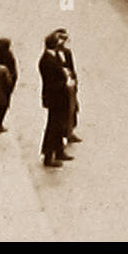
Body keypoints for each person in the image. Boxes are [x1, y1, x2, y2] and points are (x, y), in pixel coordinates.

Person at [39, 33, 74, 167]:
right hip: (55, 98)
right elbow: (51, 82)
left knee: (59, 125)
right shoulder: (47, 60)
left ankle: (59, 150)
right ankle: (48, 156)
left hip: (60, 97)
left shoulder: (53, 56)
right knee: (53, 126)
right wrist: (66, 83)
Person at [55, 29, 81, 143]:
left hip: (70, 83)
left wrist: (75, 80)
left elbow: (71, 67)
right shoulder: (55, 56)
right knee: (67, 110)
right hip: (63, 87)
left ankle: (69, 131)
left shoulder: (67, 52)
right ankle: (65, 133)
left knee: (73, 108)